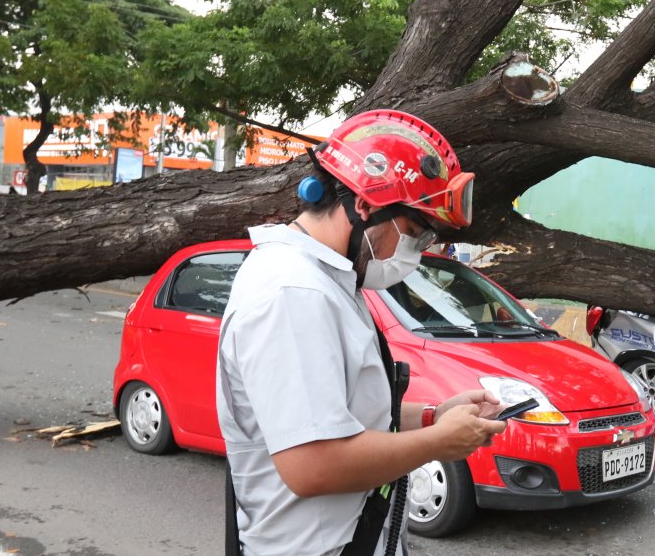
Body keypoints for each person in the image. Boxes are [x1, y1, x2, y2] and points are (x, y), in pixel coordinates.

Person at [216, 109, 507, 556]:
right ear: (365, 205)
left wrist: (434, 415)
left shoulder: (329, 281)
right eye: (414, 232)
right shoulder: (292, 292)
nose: (415, 251)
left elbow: (339, 413)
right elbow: (312, 465)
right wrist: (437, 443)